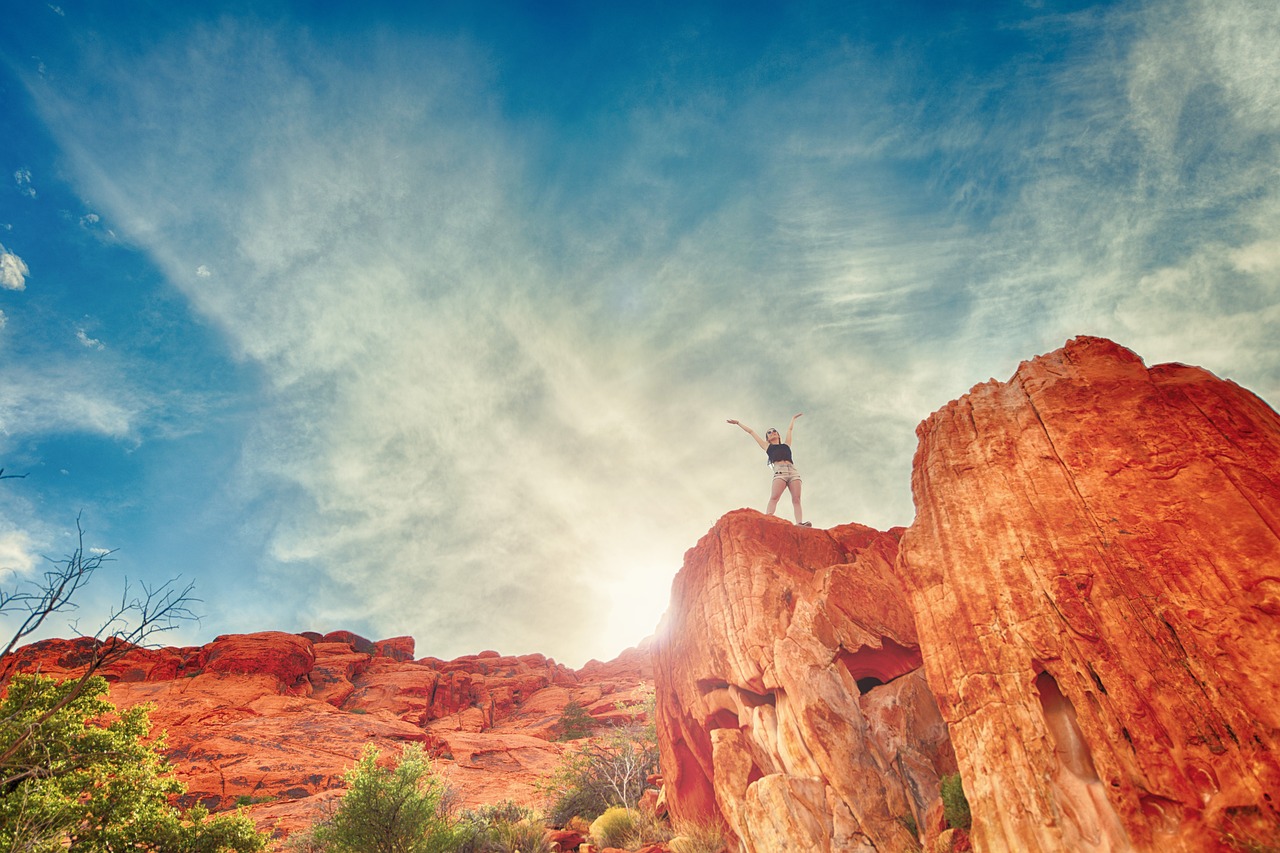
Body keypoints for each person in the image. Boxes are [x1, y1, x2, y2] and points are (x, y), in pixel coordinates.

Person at [726, 413, 810, 526]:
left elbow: (790, 430)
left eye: (774, 431)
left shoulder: (786, 445)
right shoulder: (767, 446)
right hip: (780, 473)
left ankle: (800, 523)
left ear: (778, 435)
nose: (772, 433)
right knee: (774, 497)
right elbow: (751, 432)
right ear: (767, 438)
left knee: (796, 499)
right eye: (769, 433)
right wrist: (738, 423)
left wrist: (793, 419)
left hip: (794, 473)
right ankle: (768, 520)